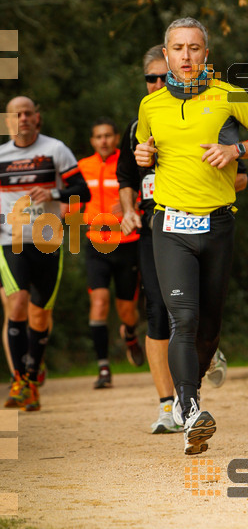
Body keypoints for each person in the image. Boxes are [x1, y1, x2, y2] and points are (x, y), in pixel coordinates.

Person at [135, 17, 248, 454]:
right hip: (171, 223)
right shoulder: (151, 106)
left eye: (194, 48)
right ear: (166, 55)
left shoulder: (228, 95)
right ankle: (191, 409)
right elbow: (144, 149)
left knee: (210, 328)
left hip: (217, 224)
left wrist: (238, 149)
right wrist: (144, 153)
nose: (185, 56)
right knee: (184, 318)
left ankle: (189, 393)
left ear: (206, 55)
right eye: (177, 48)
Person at [118, 44, 248, 433]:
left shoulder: (211, 112)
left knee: (201, 320)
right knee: (163, 313)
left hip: (207, 221)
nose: (158, 83)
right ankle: (170, 404)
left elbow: (239, 172)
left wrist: (227, 172)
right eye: (151, 78)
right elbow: (126, 176)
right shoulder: (142, 121)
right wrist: (127, 210)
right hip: (156, 226)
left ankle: (193, 372)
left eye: (164, 76)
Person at [0, 96, 90, 411]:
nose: (22, 118)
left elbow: (83, 191)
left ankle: (33, 376)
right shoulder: (1, 156)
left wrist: (53, 192)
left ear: (37, 118)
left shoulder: (55, 150)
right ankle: (20, 381)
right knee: (18, 302)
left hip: (48, 239)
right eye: (16, 114)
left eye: (28, 113)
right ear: (7, 121)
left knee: (40, 315)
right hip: (10, 240)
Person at [78, 119, 145, 390]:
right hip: (96, 244)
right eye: (98, 137)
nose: (103, 140)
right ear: (92, 141)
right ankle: (103, 367)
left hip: (128, 243)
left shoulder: (128, 162)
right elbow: (74, 198)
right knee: (99, 302)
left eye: (108, 135)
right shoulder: (83, 167)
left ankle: (130, 334)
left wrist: (131, 206)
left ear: (116, 138)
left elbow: (145, 192)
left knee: (127, 310)